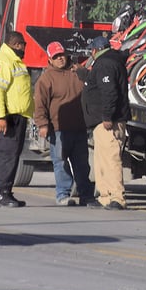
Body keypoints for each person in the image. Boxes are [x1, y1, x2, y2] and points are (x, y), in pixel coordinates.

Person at [33, 42, 94, 206]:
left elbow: (92, 84)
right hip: (58, 129)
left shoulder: (76, 72)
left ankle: (86, 194)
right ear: (50, 59)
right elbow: (40, 103)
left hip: (79, 127)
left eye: (62, 55)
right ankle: (63, 194)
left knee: (82, 163)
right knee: (60, 161)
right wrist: (42, 124)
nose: (60, 59)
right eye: (56, 57)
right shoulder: (46, 78)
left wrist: (82, 71)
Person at [81, 36, 130, 210]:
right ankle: (105, 196)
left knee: (110, 159)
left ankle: (117, 197)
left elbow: (109, 92)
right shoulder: (107, 62)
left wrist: (107, 116)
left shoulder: (105, 64)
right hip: (100, 122)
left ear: (95, 50)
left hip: (109, 121)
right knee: (101, 160)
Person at [0, 31, 34, 207]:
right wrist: (0, 117)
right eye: (22, 44)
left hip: (18, 116)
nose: (23, 48)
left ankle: (6, 191)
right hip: (7, 116)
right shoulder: (2, 61)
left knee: (12, 156)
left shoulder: (15, 61)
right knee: (5, 156)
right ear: (14, 44)